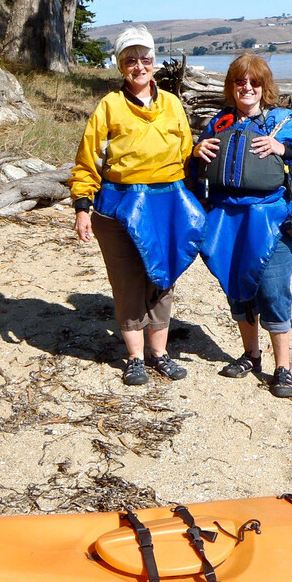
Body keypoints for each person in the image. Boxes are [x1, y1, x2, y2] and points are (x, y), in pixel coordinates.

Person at [69, 25, 205, 386]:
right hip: (118, 207)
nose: (139, 66)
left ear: (155, 62)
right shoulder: (109, 106)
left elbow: (185, 155)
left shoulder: (173, 104)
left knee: (162, 278)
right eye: (131, 60)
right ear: (120, 66)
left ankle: (160, 354)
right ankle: (135, 358)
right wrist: (83, 206)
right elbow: (87, 162)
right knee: (128, 282)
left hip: (168, 202)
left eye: (145, 58)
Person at [191, 54, 292, 398]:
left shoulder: (281, 121)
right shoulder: (219, 123)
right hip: (225, 218)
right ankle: (251, 356)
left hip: (271, 218)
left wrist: (284, 147)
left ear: (265, 87)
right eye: (240, 81)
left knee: (272, 290)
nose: (247, 87)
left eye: (254, 82)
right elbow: (195, 171)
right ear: (231, 86)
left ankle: (283, 368)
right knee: (236, 286)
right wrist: (196, 152)